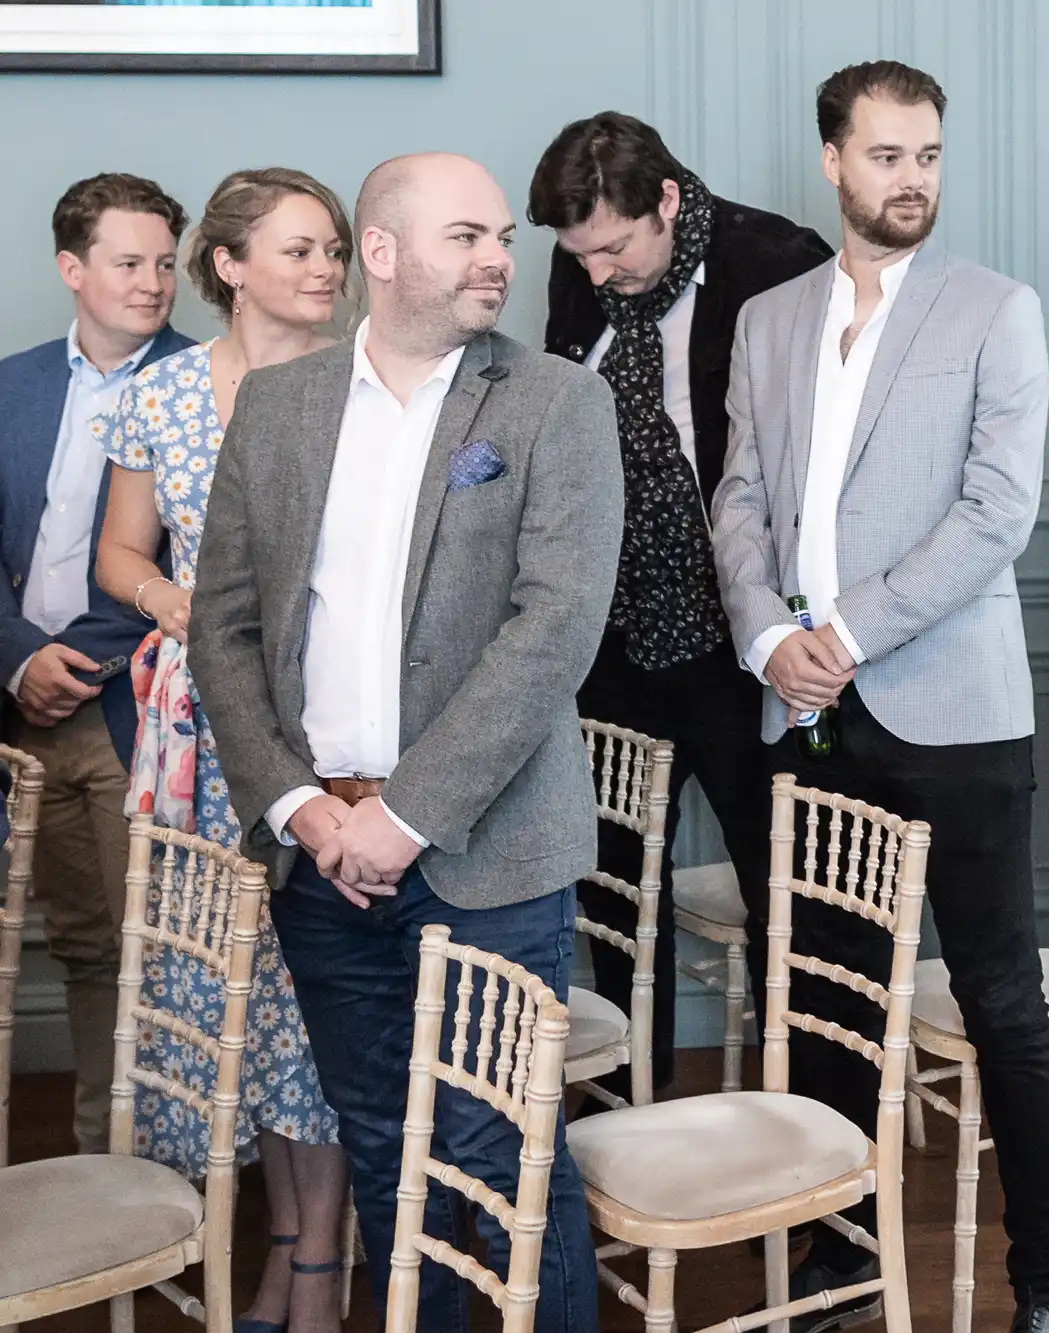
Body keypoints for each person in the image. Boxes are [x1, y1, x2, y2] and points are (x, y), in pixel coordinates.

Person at [188, 152, 621, 1332]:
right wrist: (302, 808)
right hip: (321, 853)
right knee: (381, 1145)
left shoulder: (553, 403)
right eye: (467, 235)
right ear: (382, 252)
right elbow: (221, 627)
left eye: (501, 238)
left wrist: (404, 814)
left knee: (501, 1154)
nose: (498, 257)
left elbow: (553, 630)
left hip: (484, 854)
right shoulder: (279, 409)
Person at [711, 60, 1049, 1333]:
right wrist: (769, 638)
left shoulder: (995, 309)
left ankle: (1048, 1286)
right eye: (884, 157)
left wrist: (847, 630)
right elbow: (741, 500)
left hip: (953, 709)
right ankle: (837, 1261)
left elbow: (998, 513)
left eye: (926, 155)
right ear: (832, 160)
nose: (910, 179)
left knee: (999, 999)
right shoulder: (768, 321)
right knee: (823, 994)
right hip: (799, 707)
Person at [529, 110, 833, 1100]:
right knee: (616, 899)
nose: (596, 273)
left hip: (742, 636)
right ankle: (632, 1119)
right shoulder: (582, 271)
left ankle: (807, 1141)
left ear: (666, 201)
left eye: (613, 247)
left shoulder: (777, 263)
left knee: (786, 895)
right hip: (613, 636)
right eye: (578, 255)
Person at [94, 167, 352, 1333]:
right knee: (236, 992)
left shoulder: (370, 390)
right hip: (200, 737)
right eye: (299, 249)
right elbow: (118, 556)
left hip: (327, 733)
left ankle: (318, 1259)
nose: (326, 269)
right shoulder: (162, 397)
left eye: (337, 249)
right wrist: (175, 605)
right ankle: (284, 1234)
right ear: (229, 266)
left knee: (319, 998)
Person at [0, 173, 191, 1156]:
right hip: (23, 721)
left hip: (138, 713)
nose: (153, 282)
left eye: (164, 262)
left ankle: (161, 1175)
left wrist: (83, 658)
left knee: (146, 951)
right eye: (128, 262)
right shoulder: (12, 386)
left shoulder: (206, 384)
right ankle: (96, 1159)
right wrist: (22, 658)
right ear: (72, 268)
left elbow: (195, 565)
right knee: (79, 946)